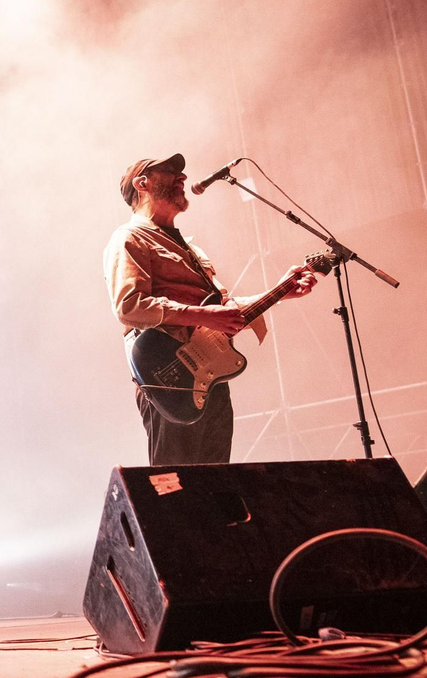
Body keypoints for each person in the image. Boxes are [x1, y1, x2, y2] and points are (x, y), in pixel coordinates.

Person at [104, 154, 317, 465]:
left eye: (181, 172)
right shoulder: (131, 238)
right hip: (169, 378)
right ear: (142, 183)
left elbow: (221, 312)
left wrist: (281, 291)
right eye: (169, 172)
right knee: (178, 491)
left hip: (210, 377)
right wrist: (202, 315)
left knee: (216, 486)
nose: (183, 177)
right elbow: (129, 306)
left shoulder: (192, 250)